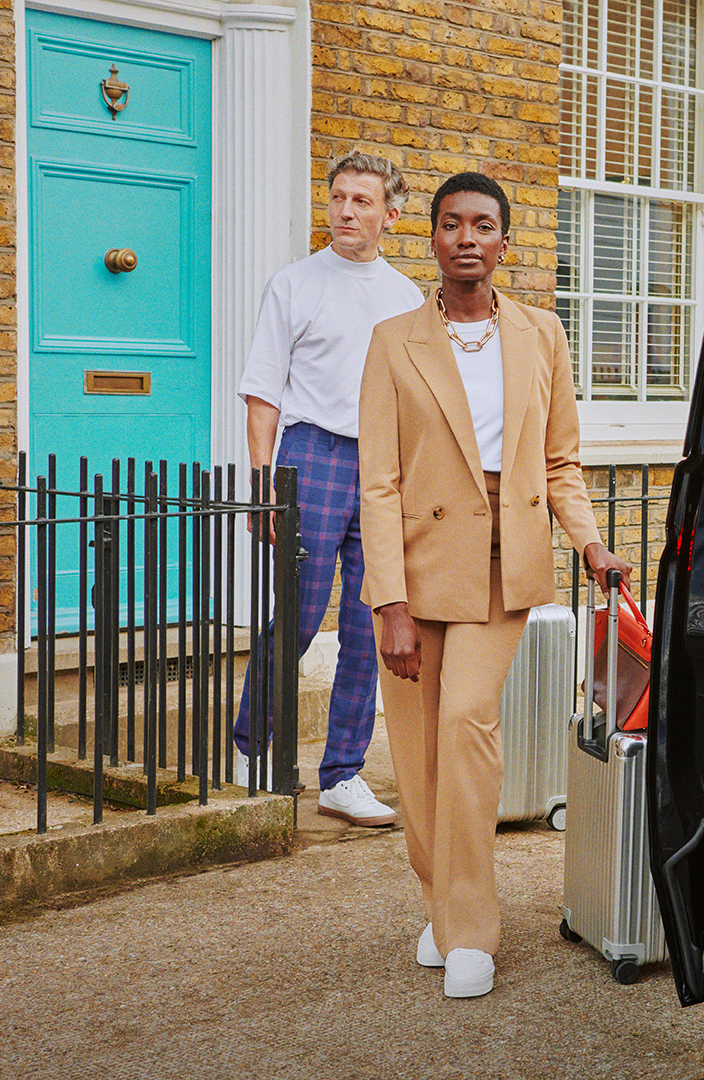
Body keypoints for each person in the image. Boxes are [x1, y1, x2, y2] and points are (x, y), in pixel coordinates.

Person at [359, 171, 631, 998]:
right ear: (432, 239)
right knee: (417, 754)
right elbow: (378, 482)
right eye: (451, 225)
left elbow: (560, 462)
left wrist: (589, 545)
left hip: (501, 569)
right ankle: (443, 904)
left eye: (483, 225)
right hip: (416, 570)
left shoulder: (542, 335)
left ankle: (472, 930)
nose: (467, 238)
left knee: (467, 728)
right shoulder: (393, 339)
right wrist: (390, 604)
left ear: (505, 242)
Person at [232, 151, 423, 826]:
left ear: (390, 216)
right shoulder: (294, 283)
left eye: (361, 201)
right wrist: (263, 486)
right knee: (300, 615)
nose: (345, 210)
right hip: (311, 455)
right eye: (338, 197)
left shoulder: (406, 299)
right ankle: (252, 751)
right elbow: (263, 393)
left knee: (369, 625)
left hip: (382, 467)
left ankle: (342, 774)